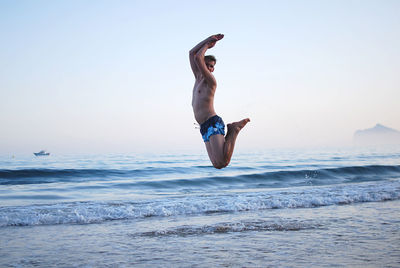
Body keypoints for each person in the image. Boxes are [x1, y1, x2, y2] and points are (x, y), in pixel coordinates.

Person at [190, 34, 250, 169]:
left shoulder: (211, 82)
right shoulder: (198, 79)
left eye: (211, 66)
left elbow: (198, 57)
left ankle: (234, 129)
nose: (210, 69)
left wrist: (207, 46)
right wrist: (208, 39)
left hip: (212, 122)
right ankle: (233, 129)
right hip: (203, 126)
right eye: (207, 65)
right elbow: (192, 53)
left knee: (223, 162)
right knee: (217, 164)